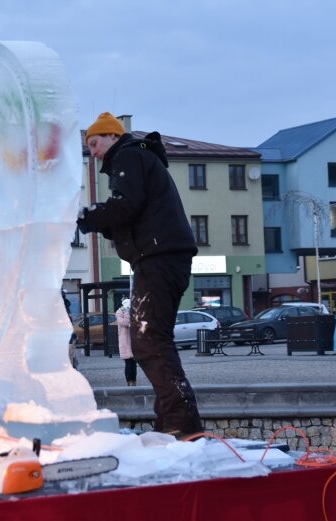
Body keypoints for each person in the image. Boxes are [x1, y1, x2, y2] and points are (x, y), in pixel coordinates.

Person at [77, 112, 202, 438]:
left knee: (149, 340)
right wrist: (105, 222)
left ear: (113, 137)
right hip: (161, 256)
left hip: (159, 257)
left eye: (95, 142)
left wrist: (88, 216)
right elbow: (129, 213)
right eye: (89, 145)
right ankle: (172, 420)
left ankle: (181, 423)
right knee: (151, 339)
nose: (93, 151)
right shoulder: (139, 159)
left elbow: (125, 206)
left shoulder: (130, 155)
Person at [115, 298, 138, 386]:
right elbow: (125, 323)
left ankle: (134, 381)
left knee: (134, 363)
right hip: (124, 341)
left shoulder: (131, 311)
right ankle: (129, 381)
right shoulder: (119, 312)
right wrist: (127, 313)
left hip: (133, 341)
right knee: (128, 362)